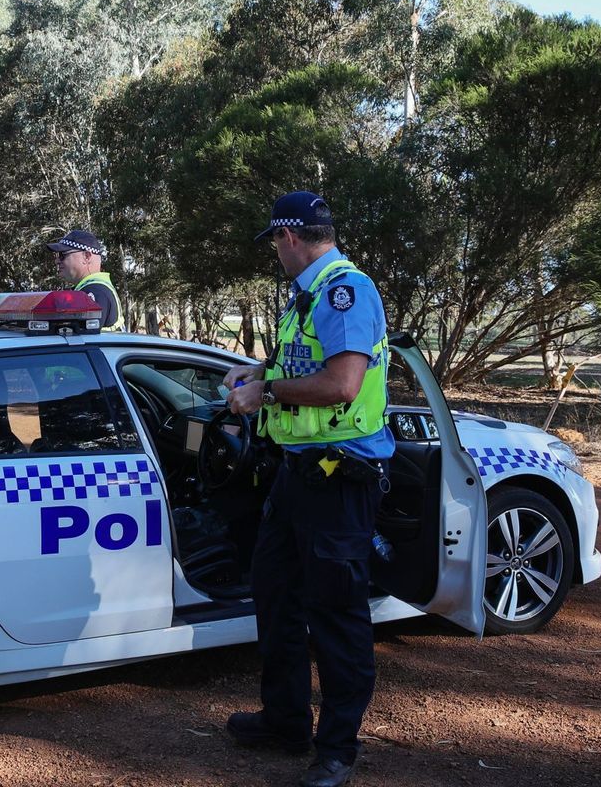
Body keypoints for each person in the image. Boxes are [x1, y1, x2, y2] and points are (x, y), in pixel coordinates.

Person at [219, 191, 392, 787]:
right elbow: (304, 365)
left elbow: (343, 384)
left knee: (336, 615)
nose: (274, 253)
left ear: (289, 237)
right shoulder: (309, 296)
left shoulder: (345, 291)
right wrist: (260, 372)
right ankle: (285, 720)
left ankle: (337, 748)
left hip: (339, 480)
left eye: (273, 242)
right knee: (277, 600)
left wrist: (264, 394)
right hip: (297, 476)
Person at [46, 228, 122, 331]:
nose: (57, 261)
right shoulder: (96, 288)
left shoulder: (94, 292)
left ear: (87, 256)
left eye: (62, 255)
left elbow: (81, 341)